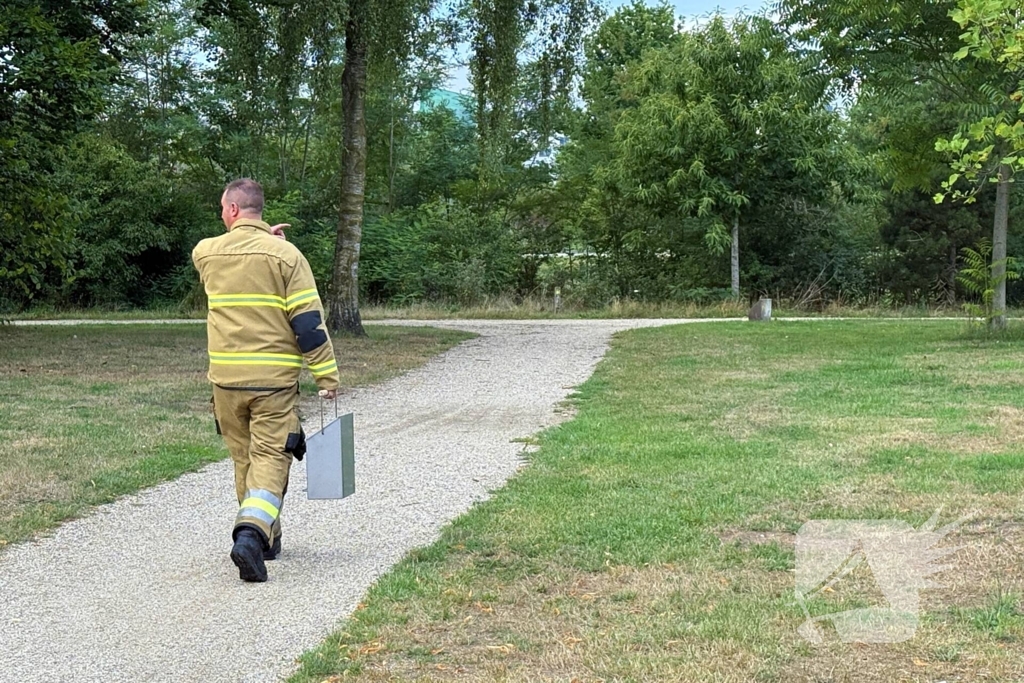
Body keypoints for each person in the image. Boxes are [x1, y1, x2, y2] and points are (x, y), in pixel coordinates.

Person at [192, 178, 339, 582]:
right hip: (272, 382)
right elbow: (308, 323)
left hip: (225, 382)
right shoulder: (287, 257)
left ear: (233, 210)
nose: (221, 215)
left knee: (245, 459)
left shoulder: (206, 253)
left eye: (222, 209)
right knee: (272, 458)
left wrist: (261, 242)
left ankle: (266, 538)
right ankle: (251, 535)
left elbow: (238, 260)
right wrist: (326, 375)